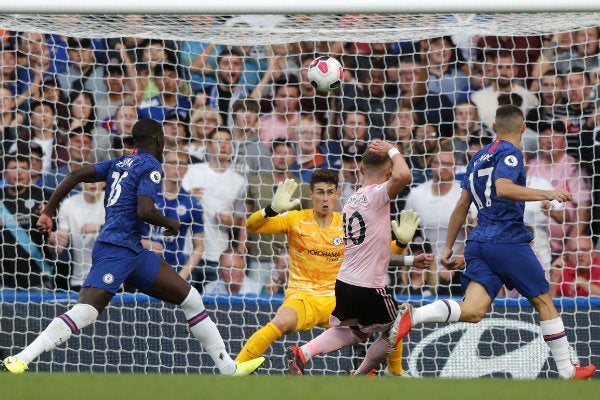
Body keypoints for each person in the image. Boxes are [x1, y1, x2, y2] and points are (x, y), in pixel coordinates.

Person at [2, 118, 264, 376]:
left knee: (192, 299)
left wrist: (49, 211)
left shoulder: (119, 163)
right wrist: (169, 222)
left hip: (134, 251)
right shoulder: (151, 165)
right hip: (115, 248)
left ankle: (228, 368)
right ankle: (21, 359)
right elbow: (145, 209)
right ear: (160, 140)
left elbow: (76, 174)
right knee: (85, 311)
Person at [388, 105, 596, 380]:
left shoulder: (477, 158)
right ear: (523, 128)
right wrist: (549, 192)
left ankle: (413, 316)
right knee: (544, 300)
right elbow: (504, 188)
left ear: (495, 128)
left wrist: (449, 246)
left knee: (473, 310)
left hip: (479, 239)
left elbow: (463, 203)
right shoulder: (511, 153)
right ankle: (568, 369)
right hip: (507, 239)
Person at [284, 140, 416, 376]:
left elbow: (373, 249)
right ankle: (362, 372)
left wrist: (410, 261)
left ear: (361, 169)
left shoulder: (351, 202)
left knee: (358, 332)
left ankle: (303, 352)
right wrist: (392, 150)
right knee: (399, 324)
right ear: (388, 173)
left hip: (344, 282)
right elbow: (404, 174)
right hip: (369, 286)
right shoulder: (378, 195)